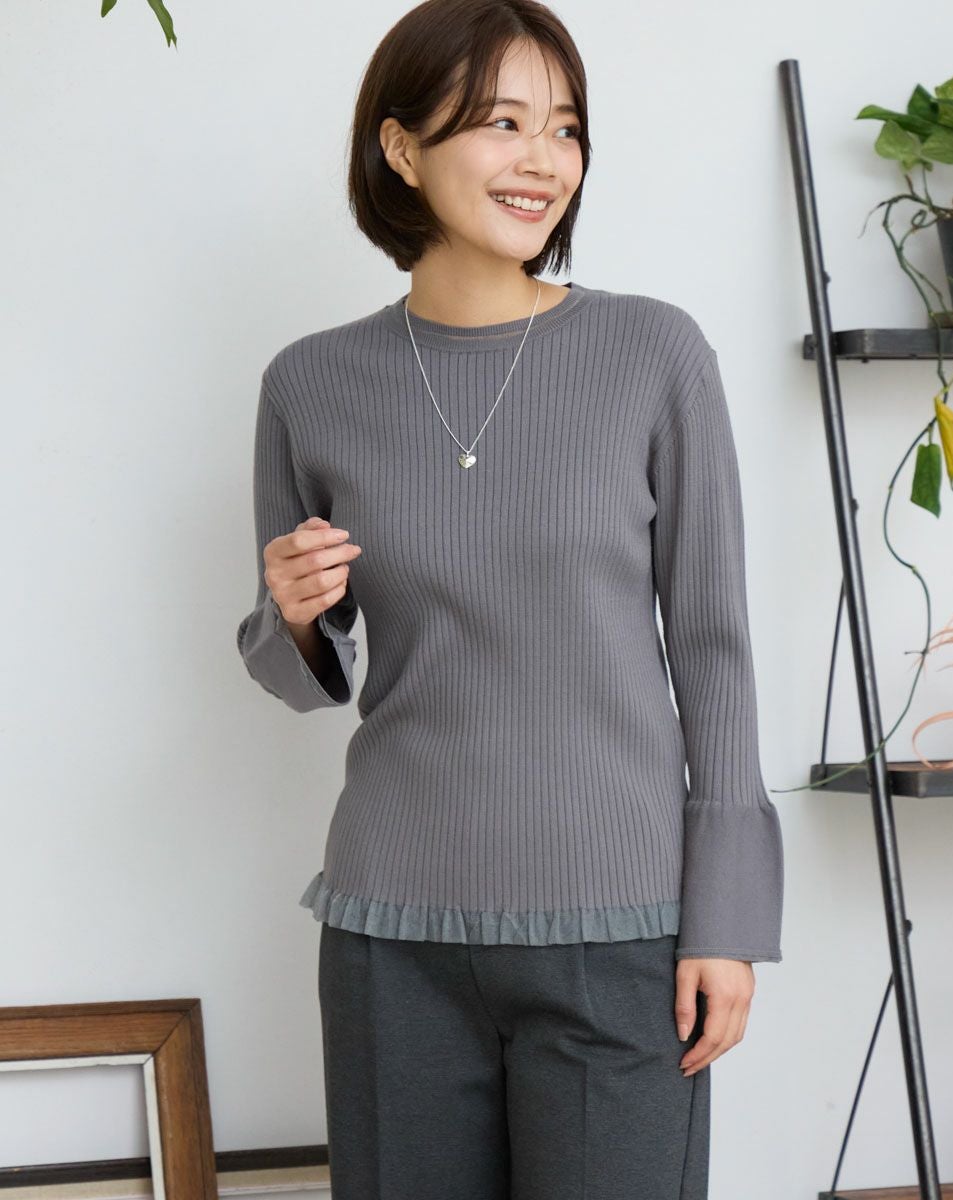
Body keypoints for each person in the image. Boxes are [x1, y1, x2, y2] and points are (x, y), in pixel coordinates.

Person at [236, 1, 785, 1196]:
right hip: (391, 932)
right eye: (502, 121)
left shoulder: (654, 354)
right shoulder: (311, 384)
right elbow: (302, 677)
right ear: (400, 147)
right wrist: (295, 615)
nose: (543, 158)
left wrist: (729, 917)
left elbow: (714, 647)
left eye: (565, 127)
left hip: (620, 929)